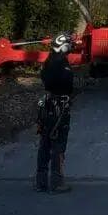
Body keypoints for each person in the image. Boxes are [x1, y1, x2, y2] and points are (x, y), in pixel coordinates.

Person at [36, 31, 75, 193]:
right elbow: (67, 84)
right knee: (58, 145)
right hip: (59, 107)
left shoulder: (49, 60)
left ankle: (41, 182)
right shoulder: (62, 63)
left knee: (44, 144)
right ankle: (57, 183)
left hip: (47, 105)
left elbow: (45, 79)